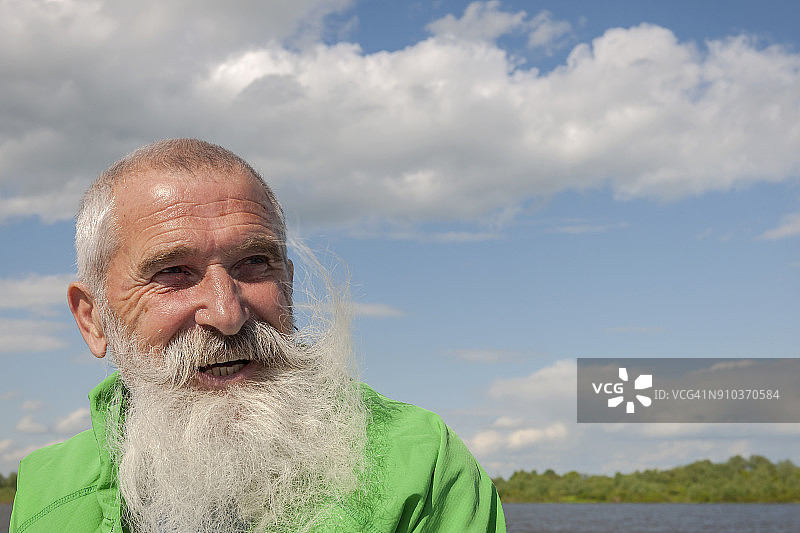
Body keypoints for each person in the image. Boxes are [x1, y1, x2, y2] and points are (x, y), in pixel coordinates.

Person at [10, 139, 505, 532]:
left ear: (286, 283)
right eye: (174, 272)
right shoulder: (48, 486)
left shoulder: (421, 462)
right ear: (93, 320)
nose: (227, 313)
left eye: (254, 263)